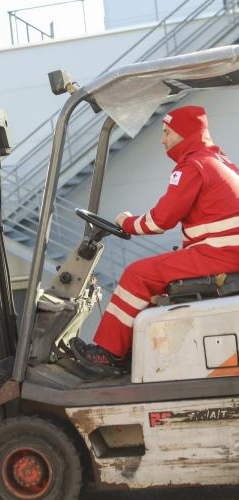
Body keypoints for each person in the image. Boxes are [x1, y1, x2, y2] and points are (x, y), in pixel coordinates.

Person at [71, 105, 239, 374]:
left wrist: (125, 222)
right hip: (226, 252)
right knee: (153, 280)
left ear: (184, 134)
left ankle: (108, 354)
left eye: (167, 133)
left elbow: (161, 220)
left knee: (138, 274)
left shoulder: (192, 165)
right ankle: (129, 351)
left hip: (218, 254)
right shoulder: (217, 160)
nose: (162, 140)